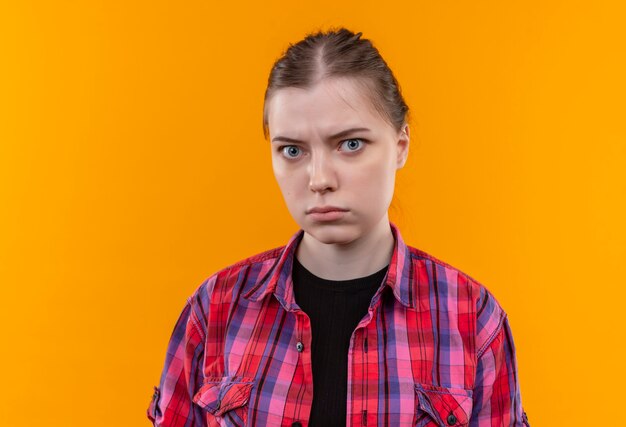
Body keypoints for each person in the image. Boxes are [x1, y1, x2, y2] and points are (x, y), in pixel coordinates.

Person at [147, 28, 529, 427]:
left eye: (350, 144)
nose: (318, 179)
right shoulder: (214, 310)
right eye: (292, 150)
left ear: (401, 145)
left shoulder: (472, 317)